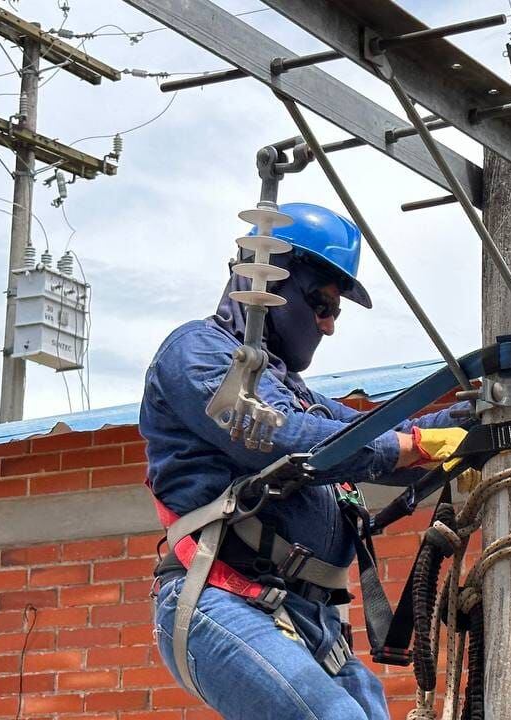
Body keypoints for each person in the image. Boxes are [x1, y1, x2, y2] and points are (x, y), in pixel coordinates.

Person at [139, 202, 468, 720]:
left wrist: (483, 413)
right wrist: (409, 448)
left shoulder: (293, 391)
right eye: (323, 305)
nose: (329, 326)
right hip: (224, 596)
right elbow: (279, 437)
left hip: (308, 619)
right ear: (268, 281)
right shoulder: (196, 353)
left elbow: (382, 432)